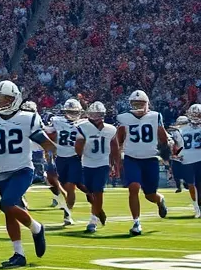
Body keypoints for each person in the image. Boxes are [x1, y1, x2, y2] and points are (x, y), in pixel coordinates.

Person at [0, 80, 53, 268]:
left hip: (23, 169)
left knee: (6, 204)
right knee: (9, 213)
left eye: (7, 99)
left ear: (16, 99)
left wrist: (53, 157)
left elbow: (44, 142)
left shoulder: (28, 118)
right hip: (2, 172)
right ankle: (18, 253)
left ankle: (37, 228)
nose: (2, 103)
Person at [115, 89, 171, 236]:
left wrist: (166, 153)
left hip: (150, 158)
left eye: (141, 103)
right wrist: (117, 158)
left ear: (147, 104)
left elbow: (162, 136)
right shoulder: (123, 117)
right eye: (135, 104)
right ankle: (136, 222)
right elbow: (118, 139)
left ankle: (160, 199)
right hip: (131, 157)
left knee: (150, 194)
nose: (138, 107)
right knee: (133, 187)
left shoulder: (155, 116)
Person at [75, 101, 120, 233]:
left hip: (102, 164)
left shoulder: (110, 129)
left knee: (98, 191)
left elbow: (115, 149)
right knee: (89, 193)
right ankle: (99, 211)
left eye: (98, 114)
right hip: (87, 163)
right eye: (94, 114)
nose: (96, 117)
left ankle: (93, 221)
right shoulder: (82, 127)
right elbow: (78, 147)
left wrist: (115, 166)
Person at [45, 98, 84, 226]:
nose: (72, 114)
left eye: (74, 111)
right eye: (70, 111)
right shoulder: (57, 121)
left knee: (70, 187)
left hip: (74, 158)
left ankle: (67, 214)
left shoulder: (84, 123)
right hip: (60, 158)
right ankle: (66, 210)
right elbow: (48, 132)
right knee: (61, 186)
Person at [174, 104, 201, 218]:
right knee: (194, 185)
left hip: (187, 159)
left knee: (192, 185)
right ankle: (197, 207)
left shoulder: (181, 130)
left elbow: (177, 147)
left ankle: (197, 208)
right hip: (197, 158)